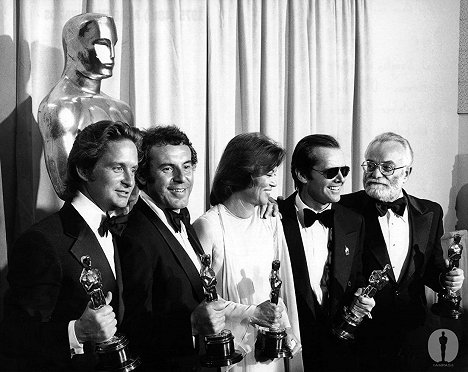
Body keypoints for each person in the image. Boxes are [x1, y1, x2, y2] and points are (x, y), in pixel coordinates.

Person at [116, 126, 279, 371]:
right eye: (168, 168)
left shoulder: (181, 219)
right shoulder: (135, 236)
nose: (182, 178)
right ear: (142, 176)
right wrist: (191, 324)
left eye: (187, 166)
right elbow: (132, 328)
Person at [0, 121, 141, 371]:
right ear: (85, 170)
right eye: (118, 168)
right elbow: (14, 340)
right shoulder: (41, 242)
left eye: (133, 169)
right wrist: (77, 331)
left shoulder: (116, 230)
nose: (130, 181)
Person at [339, 132, 465, 371]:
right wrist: (276, 206)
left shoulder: (430, 212)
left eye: (387, 167)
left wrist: (447, 279)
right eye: (371, 165)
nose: (376, 174)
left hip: (412, 332)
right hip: (362, 336)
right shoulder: (343, 207)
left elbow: (432, 269)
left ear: (406, 173)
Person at [193, 133, 302, 372]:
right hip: (229, 354)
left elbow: (279, 286)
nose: (275, 183)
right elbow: (199, 300)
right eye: (269, 174)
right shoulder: (208, 226)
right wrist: (253, 313)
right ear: (243, 173)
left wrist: (286, 327)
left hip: (270, 352)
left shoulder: (270, 220)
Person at [277, 134, 375, 371]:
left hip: (339, 353)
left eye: (344, 170)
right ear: (302, 174)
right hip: (288, 352)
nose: (341, 178)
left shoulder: (354, 221)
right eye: (331, 171)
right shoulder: (274, 217)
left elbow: (358, 278)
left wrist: (363, 300)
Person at [38, 13, 134, 199]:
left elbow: (134, 175)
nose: (111, 55)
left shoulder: (121, 109)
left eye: (112, 45)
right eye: (101, 44)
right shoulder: (59, 107)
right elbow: (66, 187)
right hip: (83, 220)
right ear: (74, 48)